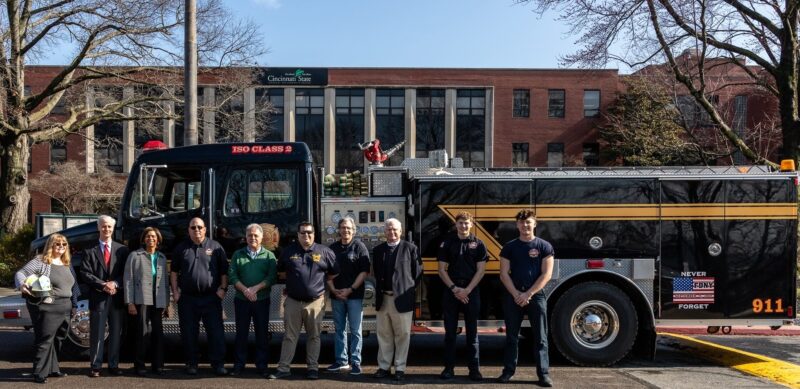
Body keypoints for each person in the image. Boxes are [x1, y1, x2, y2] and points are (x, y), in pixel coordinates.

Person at [270, 222, 338, 380]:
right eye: (303, 233)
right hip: (293, 301)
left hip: (315, 302)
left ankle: (313, 368)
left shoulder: (325, 251)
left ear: (314, 234)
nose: (306, 235)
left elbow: (333, 273)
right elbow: (281, 272)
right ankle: (283, 368)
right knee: (289, 336)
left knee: (314, 336)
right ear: (298, 235)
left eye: (309, 232)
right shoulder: (288, 251)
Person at [497, 210, 554, 387]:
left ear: (534, 224)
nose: (525, 225)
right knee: (511, 337)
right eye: (521, 222)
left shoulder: (544, 246)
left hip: (536, 296)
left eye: (528, 222)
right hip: (513, 296)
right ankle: (508, 372)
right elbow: (503, 274)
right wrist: (516, 294)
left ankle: (543, 374)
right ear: (517, 225)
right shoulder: (509, 247)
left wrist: (528, 294)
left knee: (541, 337)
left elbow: (546, 274)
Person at [15, 233, 80, 384]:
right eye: (58, 244)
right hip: (48, 306)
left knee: (59, 338)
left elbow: (73, 286)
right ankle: (39, 372)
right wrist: (22, 285)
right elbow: (21, 273)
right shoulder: (41, 261)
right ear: (51, 245)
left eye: (64, 244)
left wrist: (74, 304)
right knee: (45, 339)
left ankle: (53, 368)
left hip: (65, 306)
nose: (61, 247)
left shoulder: (66, 262)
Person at [170, 217, 229, 376]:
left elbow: (224, 271)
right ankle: (192, 363)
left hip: (211, 298)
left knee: (216, 333)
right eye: (193, 227)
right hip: (187, 299)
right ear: (188, 230)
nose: (197, 230)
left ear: (205, 229)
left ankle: (218, 364)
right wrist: (175, 292)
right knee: (189, 333)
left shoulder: (215, 247)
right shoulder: (181, 248)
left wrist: (223, 289)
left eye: (200, 227)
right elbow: (174, 272)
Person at [437, 211, 487, 381]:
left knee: (472, 334)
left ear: (471, 224)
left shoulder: (478, 244)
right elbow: (441, 270)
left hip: (471, 291)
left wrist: (467, 290)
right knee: (450, 334)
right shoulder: (447, 243)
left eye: (466, 223)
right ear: (456, 224)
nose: (463, 226)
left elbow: (481, 271)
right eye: (460, 223)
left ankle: (474, 370)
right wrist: (455, 289)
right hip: (451, 291)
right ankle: (448, 369)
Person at [79, 215, 129, 377]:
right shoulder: (89, 250)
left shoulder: (122, 250)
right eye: (103, 226)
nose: (106, 229)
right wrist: (103, 285)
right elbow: (85, 273)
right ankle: (96, 366)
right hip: (98, 297)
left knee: (116, 334)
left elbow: (126, 272)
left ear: (113, 229)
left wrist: (115, 283)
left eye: (109, 226)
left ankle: (113, 365)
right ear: (98, 227)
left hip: (116, 297)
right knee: (97, 334)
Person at [372, 218, 422, 382]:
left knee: (402, 335)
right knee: (384, 334)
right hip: (383, 298)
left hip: (402, 299)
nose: (391, 232)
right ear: (384, 231)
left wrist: (407, 290)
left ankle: (400, 368)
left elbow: (417, 273)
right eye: (388, 229)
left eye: (395, 229)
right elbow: (376, 272)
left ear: (401, 231)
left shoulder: (410, 248)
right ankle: (384, 367)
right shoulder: (378, 250)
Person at [228, 223, 277, 378]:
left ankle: (262, 366)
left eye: (256, 235)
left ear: (262, 237)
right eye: (250, 235)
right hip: (241, 300)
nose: (253, 238)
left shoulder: (269, 256)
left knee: (262, 334)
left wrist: (255, 289)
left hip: (261, 300)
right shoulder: (238, 254)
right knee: (241, 334)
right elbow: (232, 276)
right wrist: (245, 290)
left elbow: (272, 277)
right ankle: (238, 365)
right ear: (246, 237)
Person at [326, 217, 370, 375]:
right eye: (343, 227)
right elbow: (327, 272)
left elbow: (364, 272)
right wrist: (333, 290)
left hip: (354, 296)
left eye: (348, 228)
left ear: (354, 230)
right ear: (339, 230)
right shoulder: (332, 248)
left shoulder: (359, 247)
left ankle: (356, 362)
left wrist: (350, 289)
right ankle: (341, 361)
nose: (345, 230)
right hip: (337, 296)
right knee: (339, 329)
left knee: (355, 330)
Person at [124, 227, 170, 376]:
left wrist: (167, 304)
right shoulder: (135, 256)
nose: (151, 239)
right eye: (148, 236)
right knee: (141, 333)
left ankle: (158, 365)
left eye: (154, 236)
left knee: (158, 333)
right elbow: (128, 280)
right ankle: (139, 365)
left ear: (158, 240)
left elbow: (165, 282)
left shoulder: (162, 257)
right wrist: (130, 302)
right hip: (141, 299)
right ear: (144, 239)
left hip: (159, 300)